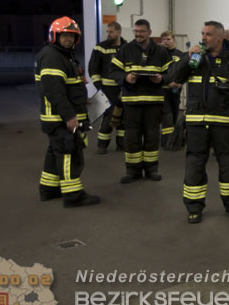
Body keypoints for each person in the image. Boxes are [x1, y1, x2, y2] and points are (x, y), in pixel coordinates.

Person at [173, 21, 229, 223]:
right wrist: (187, 57)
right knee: (195, 164)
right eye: (202, 33)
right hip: (197, 122)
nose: (203, 38)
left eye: (208, 34)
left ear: (220, 37)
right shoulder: (195, 57)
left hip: (226, 121)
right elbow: (175, 76)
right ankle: (194, 208)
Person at [35, 17, 100, 207]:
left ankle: (48, 189)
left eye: (72, 36)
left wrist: (82, 99)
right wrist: (69, 116)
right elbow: (54, 91)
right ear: (55, 35)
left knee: (55, 153)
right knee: (68, 154)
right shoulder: (52, 56)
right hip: (60, 118)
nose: (68, 39)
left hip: (59, 117)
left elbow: (68, 87)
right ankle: (73, 195)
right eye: (64, 35)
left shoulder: (63, 55)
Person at [111, 19, 172, 183]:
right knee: (131, 138)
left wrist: (160, 79)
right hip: (131, 102)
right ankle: (133, 171)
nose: (138, 35)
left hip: (154, 102)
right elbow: (114, 71)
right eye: (136, 31)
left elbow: (171, 73)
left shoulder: (160, 51)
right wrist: (125, 77)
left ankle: (152, 169)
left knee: (152, 136)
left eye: (141, 32)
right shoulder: (125, 49)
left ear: (149, 33)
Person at [88, 21, 126, 153]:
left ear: (119, 32)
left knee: (123, 117)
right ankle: (102, 145)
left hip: (124, 88)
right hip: (107, 89)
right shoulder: (100, 48)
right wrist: (99, 86)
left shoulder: (127, 47)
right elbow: (93, 68)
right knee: (109, 117)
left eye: (111, 32)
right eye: (107, 32)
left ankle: (122, 144)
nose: (108, 34)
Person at [159, 30, 184, 149]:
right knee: (167, 116)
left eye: (168, 39)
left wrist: (181, 82)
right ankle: (166, 143)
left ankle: (173, 140)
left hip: (176, 91)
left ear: (173, 40)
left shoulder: (180, 54)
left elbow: (185, 70)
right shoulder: (157, 54)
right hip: (162, 90)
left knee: (174, 115)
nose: (166, 42)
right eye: (163, 39)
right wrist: (168, 82)